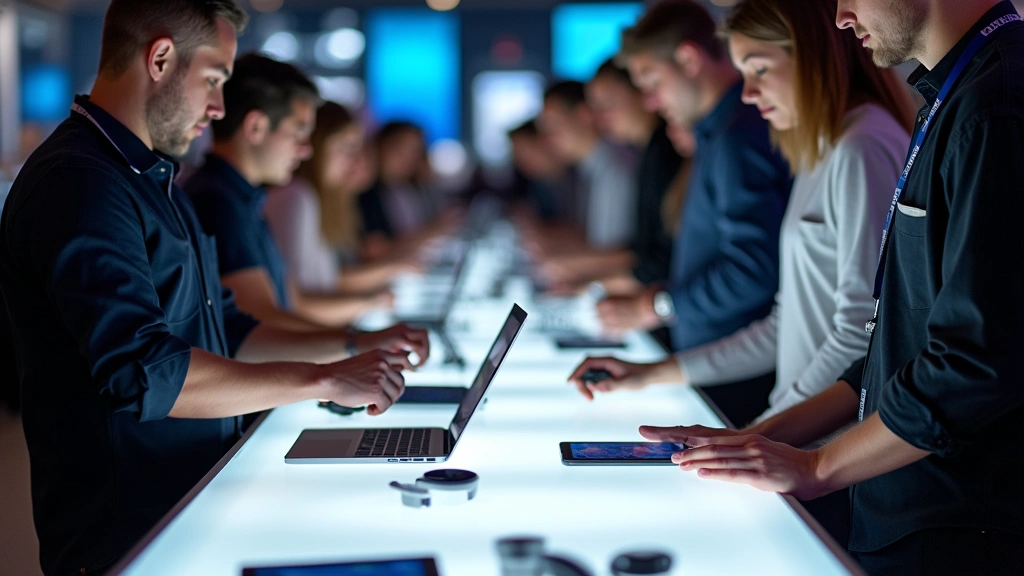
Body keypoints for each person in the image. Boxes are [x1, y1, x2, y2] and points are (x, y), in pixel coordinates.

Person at [0, 2, 426, 574]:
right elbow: (146, 371)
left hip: (190, 498)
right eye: (214, 80)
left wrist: (351, 351)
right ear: (160, 59)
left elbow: (231, 328)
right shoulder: (79, 182)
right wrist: (322, 378)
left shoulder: (153, 179)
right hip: (131, 533)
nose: (220, 107)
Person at [637, 0, 1024, 573]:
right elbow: (889, 341)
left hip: (956, 518)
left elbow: (976, 359)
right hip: (907, 502)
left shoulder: (992, 107)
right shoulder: (954, 98)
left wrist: (816, 466)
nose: (841, 15)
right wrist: (756, 439)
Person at [570, 0, 914, 421]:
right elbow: (784, 325)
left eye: (760, 70)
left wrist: (762, 432)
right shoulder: (822, 148)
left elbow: (860, 334)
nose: (748, 93)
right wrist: (651, 374)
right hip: (799, 428)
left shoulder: (861, 146)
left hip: (821, 436)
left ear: (811, 57)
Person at [593, 0, 792, 423]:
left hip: (737, 372)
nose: (650, 101)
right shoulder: (719, 133)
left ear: (688, 59)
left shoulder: (737, 136)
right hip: (717, 365)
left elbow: (753, 269)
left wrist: (658, 306)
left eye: (652, 81)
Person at [187, 55, 408, 330]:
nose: (306, 150)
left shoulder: (244, 199)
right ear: (255, 127)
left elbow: (290, 301)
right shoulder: (218, 202)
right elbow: (260, 322)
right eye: (298, 132)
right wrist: (354, 344)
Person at [537, 59, 684, 293]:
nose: (600, 115)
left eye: (608, 103)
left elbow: (648, 256)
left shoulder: (656, 154)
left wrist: (584, 282)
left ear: (641, 93)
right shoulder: (647, 153)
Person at [265, 101, 419, 297]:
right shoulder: (297, 196)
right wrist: (372, 296)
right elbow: (301, 296)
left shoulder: (324, 200)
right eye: (347, 148)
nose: (358, 161)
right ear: (317, 146)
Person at [536, 80, 639, 250]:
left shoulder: (615, 169)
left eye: (553, 125)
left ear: (584, 115)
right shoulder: (588, 170)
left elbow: (614, 251)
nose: (548, 139)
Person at [357, 121, 460, 263]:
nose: (408, 158)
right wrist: (433, 231)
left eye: (415, 151)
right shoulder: (366, 192)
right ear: (380, 146)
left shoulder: (412, 187)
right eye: (401, 149)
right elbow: (375, 252)